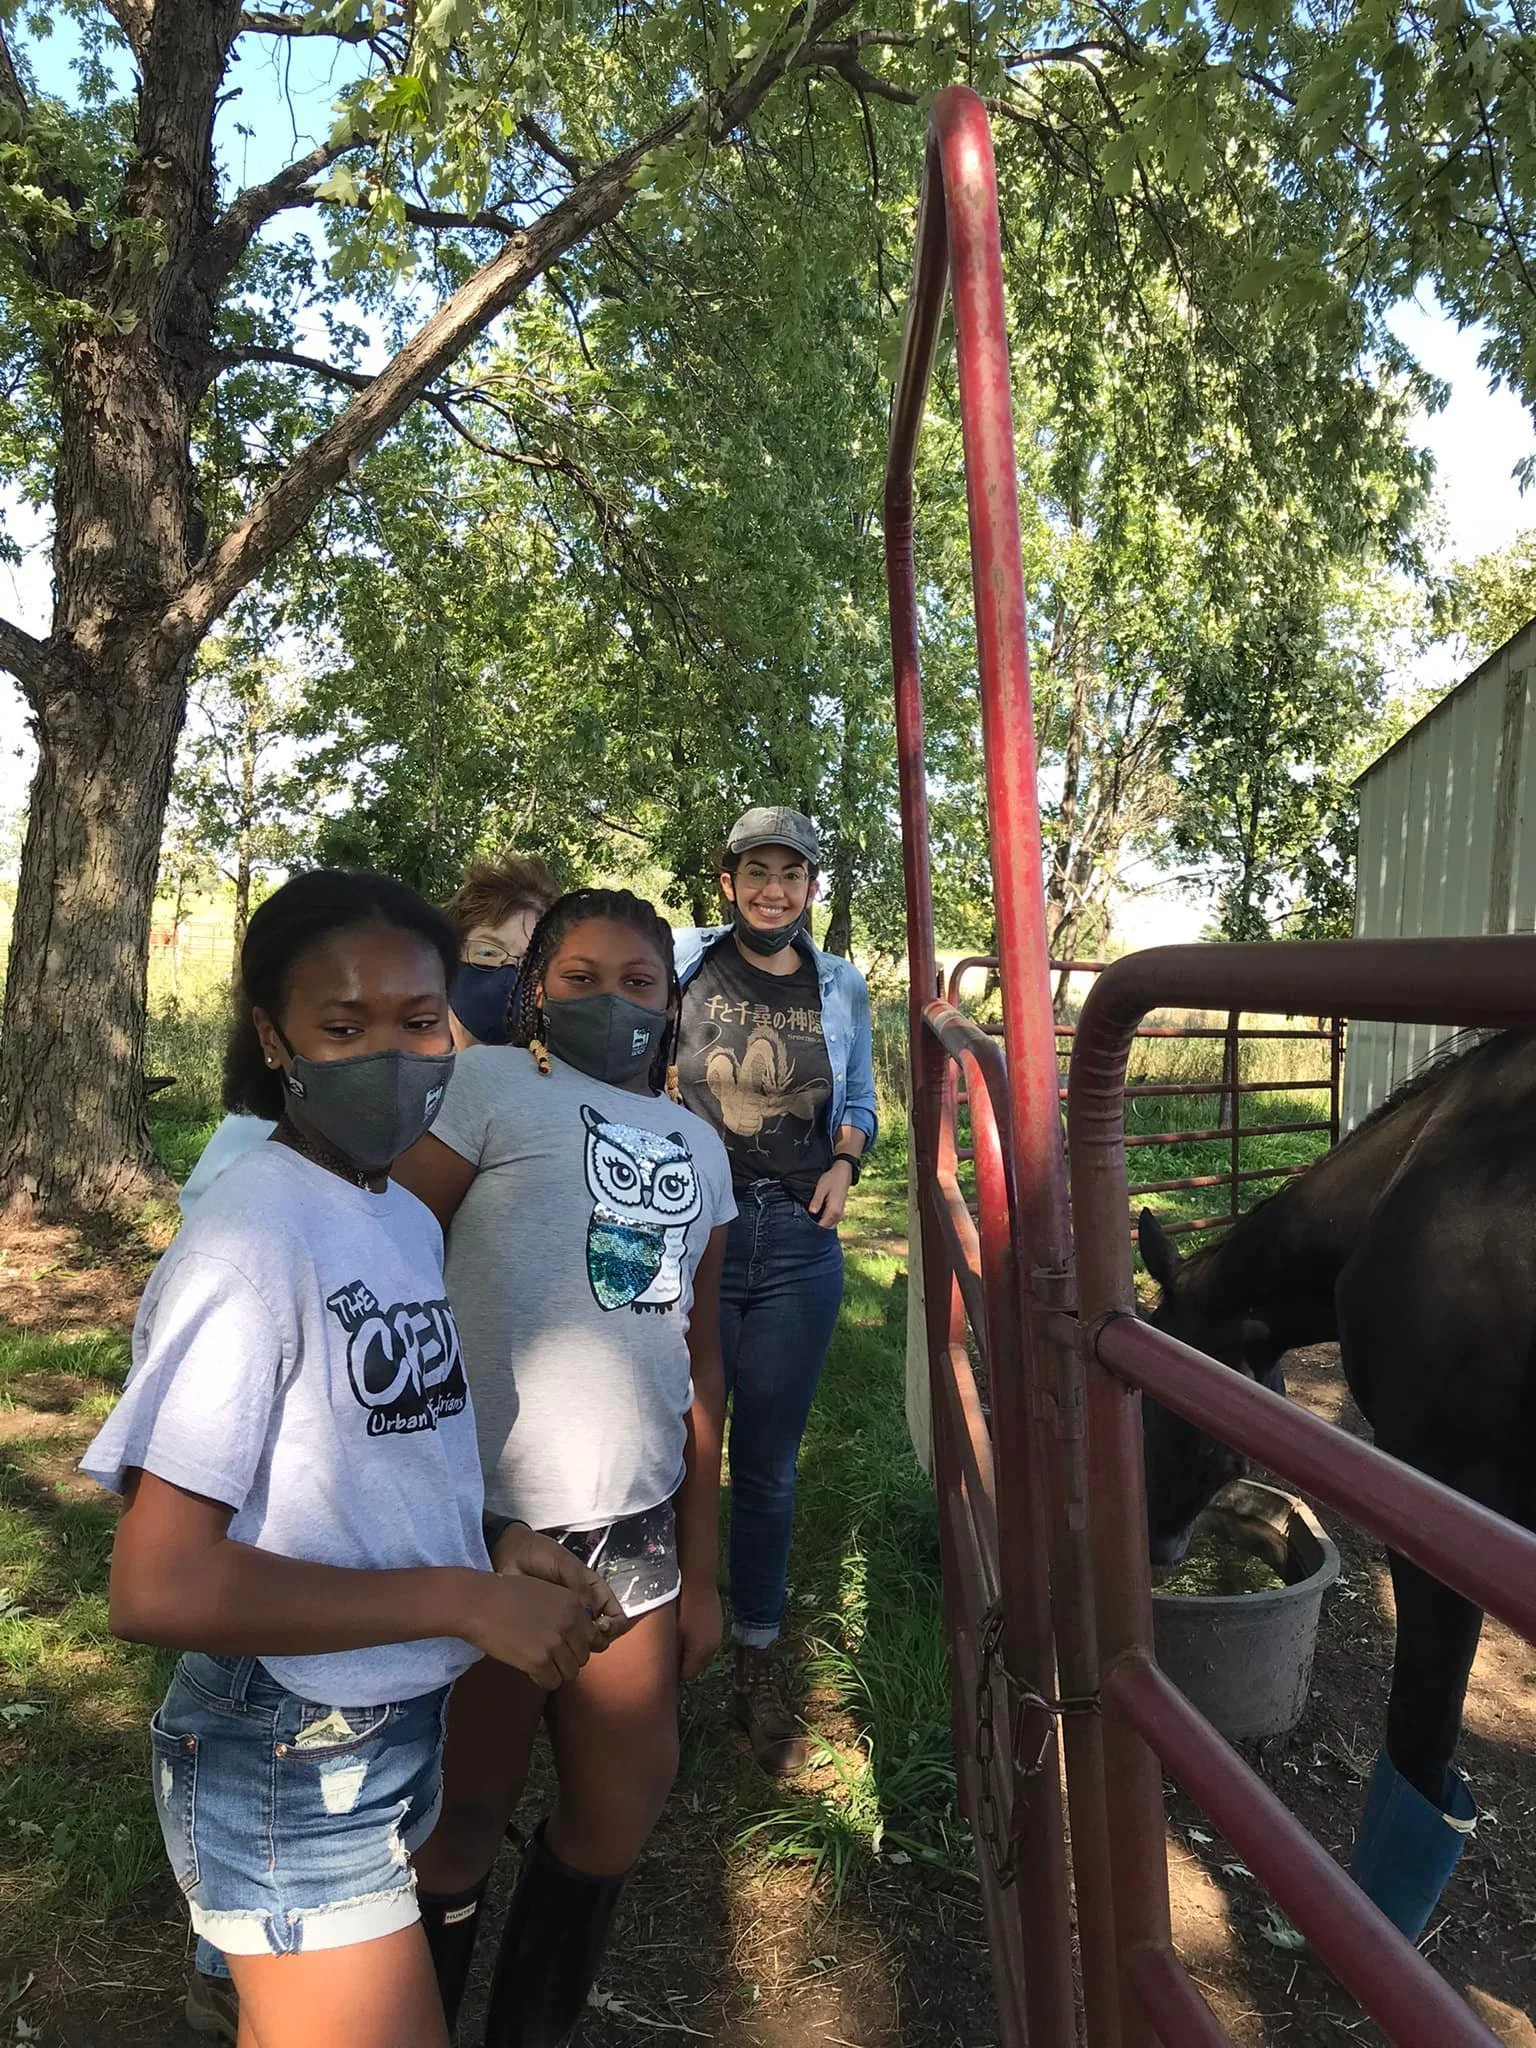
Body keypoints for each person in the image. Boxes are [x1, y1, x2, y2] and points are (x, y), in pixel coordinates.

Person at [81, 870, 619, 2048]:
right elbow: (157, 1582)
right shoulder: (251, 1239)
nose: (393, 1052)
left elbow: (369, 1458)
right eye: (345, 1024)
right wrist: (456, 1598)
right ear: (274, 1037)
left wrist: (496, 1545)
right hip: (290, 1742)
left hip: (382, 1717)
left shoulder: (398, 1214)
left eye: (419, 1020)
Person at [395, 887, 734, 2047]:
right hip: (488, 1522)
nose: (610, 998)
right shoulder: (483, 1087)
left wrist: (704, 1558)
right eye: (579, 975)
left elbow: (700, 1355)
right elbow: (384, 1258)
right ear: (536, 987)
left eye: (639, 980)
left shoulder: (699, 1144)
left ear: (672, 1002)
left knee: (619, 1804)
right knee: (464, 1808)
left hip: (634, 1532)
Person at [673, 806, 877, 1773]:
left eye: (791, 876)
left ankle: (755, 1655)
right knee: (668, 1442)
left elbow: (864, 1100)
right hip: (688, 1233)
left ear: (809, 889)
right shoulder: (680, 960)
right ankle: (655, 1642)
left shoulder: (841, 985)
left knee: (767, 1464)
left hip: (798, 1237)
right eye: (757, 872)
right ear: (727, 881)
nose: (773, 891)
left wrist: (845, 1162)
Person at [177, 855, 559, 1222]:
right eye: (489, 952)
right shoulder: (299, 1101)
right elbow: (218, 1225)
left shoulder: (534, 1101)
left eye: (529, 963)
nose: (509, 974)